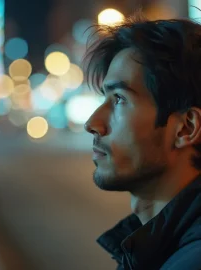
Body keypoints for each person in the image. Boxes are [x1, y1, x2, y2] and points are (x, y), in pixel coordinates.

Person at [84, 13, 201, 270]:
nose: (92, 123)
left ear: (186, 128)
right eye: (105, 98)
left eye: (119, 100)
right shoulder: (161, 246)